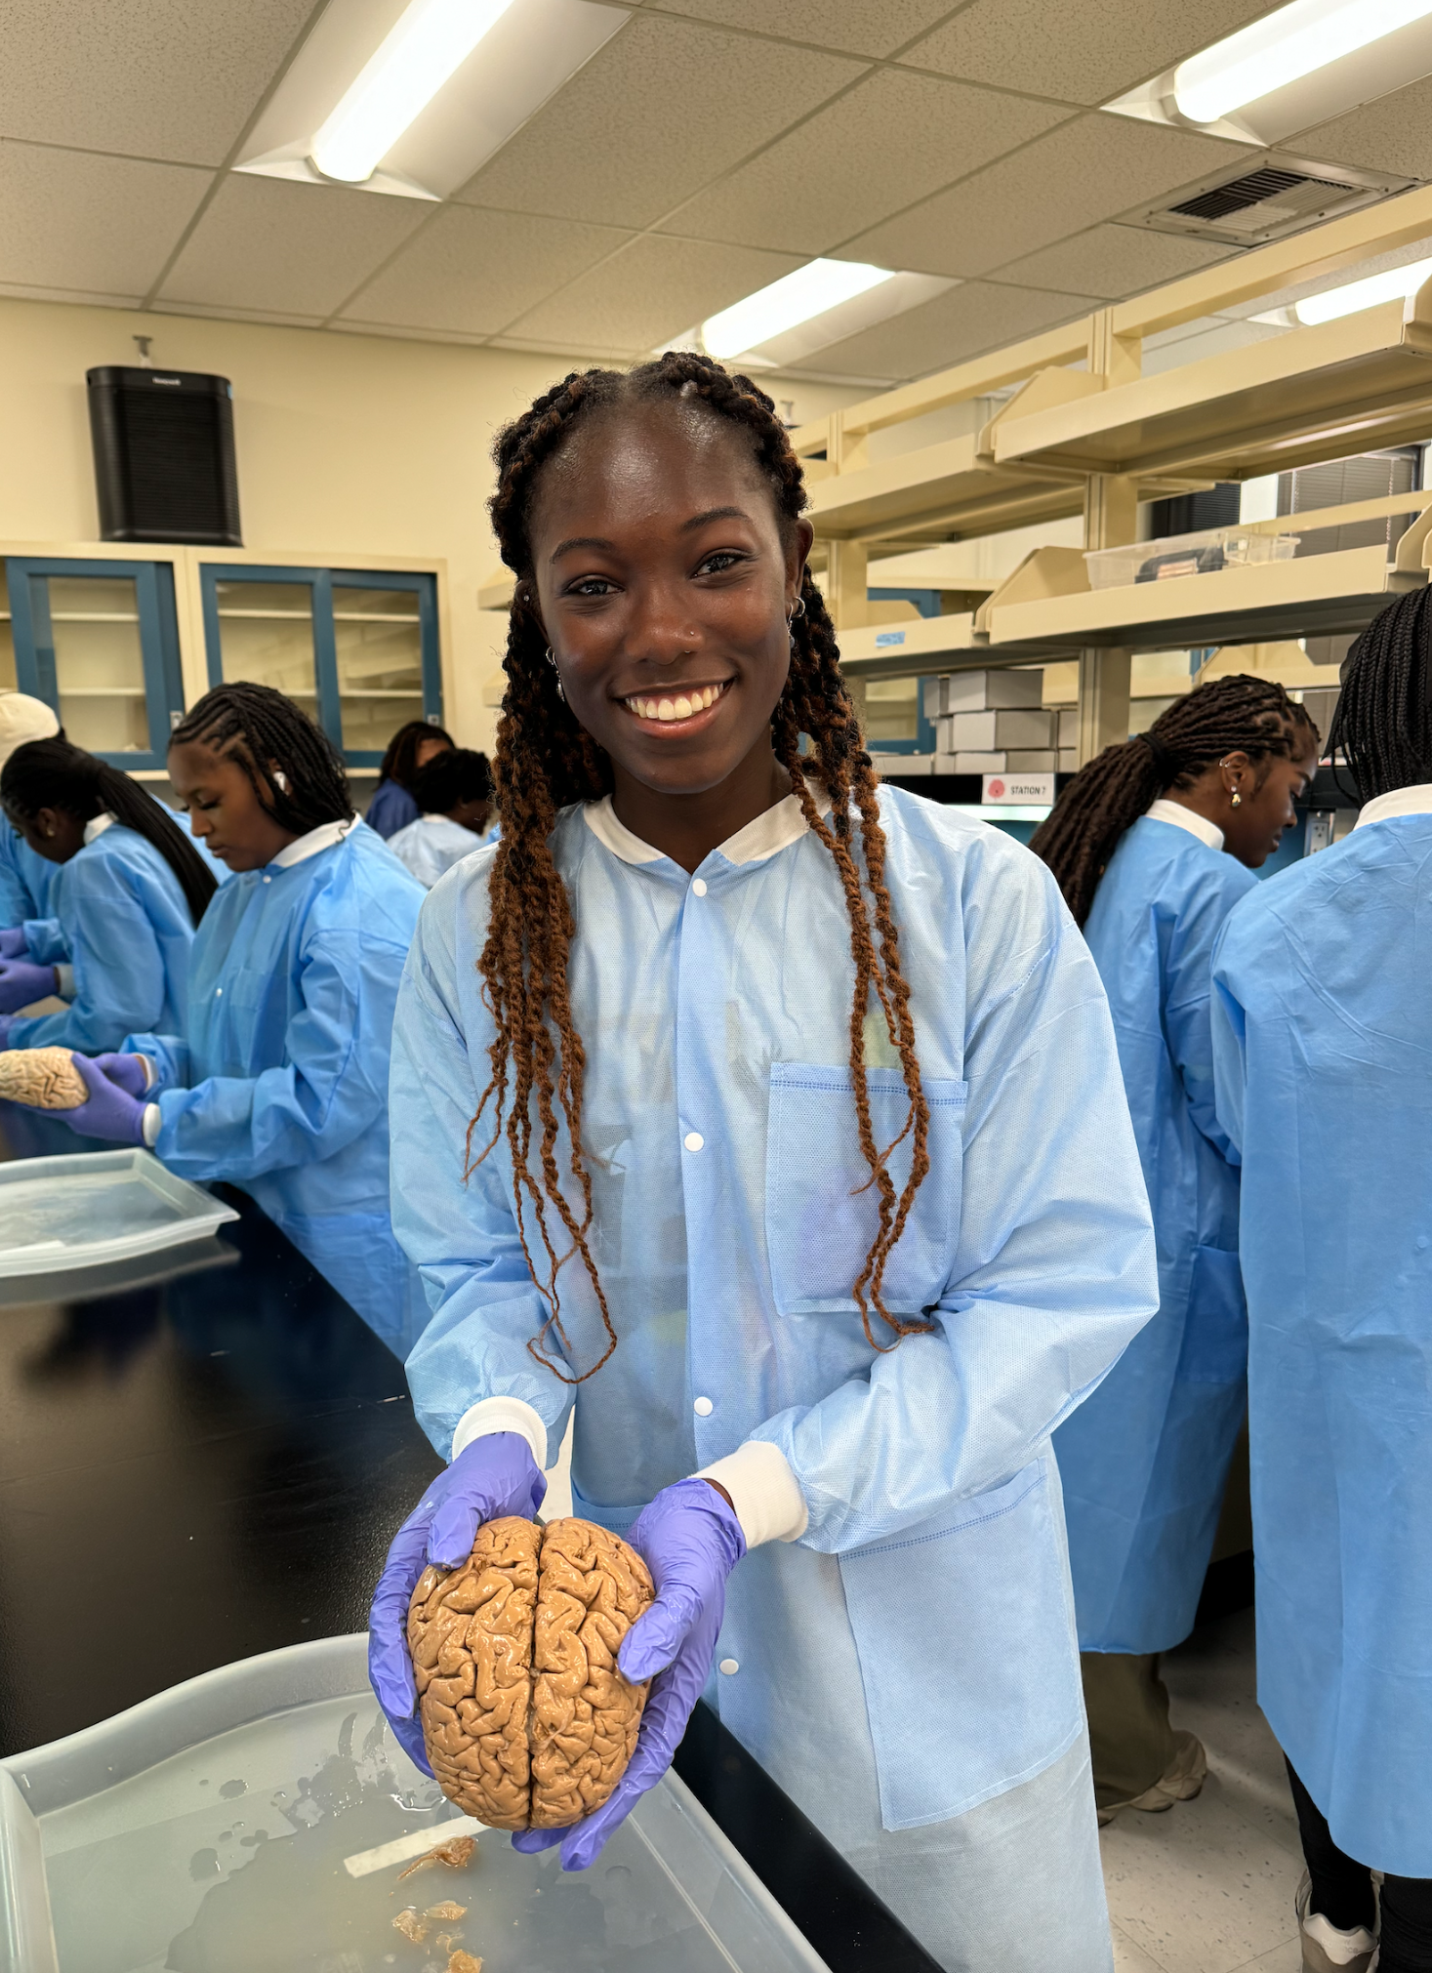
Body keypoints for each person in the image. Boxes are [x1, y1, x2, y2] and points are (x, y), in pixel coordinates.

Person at [365, 356, 1159, 1973]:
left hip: (924, 1681)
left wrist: (746, 1499)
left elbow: (1058, 1292)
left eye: (714, 560)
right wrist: (502, 1428)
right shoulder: (477, 935)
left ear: (795, 572)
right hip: (618, 1666)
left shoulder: (971, 910)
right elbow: (471, 1269)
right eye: (592, 584)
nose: (658, 631)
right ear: (537, 617)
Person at [1031, 676, 1317, 1826]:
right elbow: (1232, 1095)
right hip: (1171, 1245)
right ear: (1237, 769)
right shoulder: (1210, 888)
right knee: (1140, 1493)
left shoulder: (1100, 861)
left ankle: (1068, 1724)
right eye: (1291, 782)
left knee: (1077, 1488)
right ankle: (1124, 1755)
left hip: (1070, 1233)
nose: (1290, 814)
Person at [1211, 589, 1432, 1973]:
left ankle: (1343, 1907)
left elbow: (1246, 1131)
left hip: (1335, 1362)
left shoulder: (1272, 927)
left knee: (1341, 1620)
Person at [22, 684, 430, 1361]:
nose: (197, 828)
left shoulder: (358, 912)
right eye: (187, 807)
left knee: (359, 1454)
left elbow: (316, 1102)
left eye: (207, 803)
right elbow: (232, 1042)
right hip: (257, 1214)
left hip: (343, 1249)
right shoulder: (250, 885)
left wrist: (153, 1122)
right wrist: (154, 1065)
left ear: (278, 776)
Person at [0, 737, 216, 1056]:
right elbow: (151, 929)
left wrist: (17, 1035)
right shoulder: (164, 831)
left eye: (21, 833)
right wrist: (36, 938)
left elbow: (119, 1017)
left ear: (47, 822)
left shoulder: (93, 868)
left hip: (171, 1060)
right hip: (213, 1040)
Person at [0, 692, 66, 957]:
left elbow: (115, 932)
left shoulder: (117, 824)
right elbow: (8, 926)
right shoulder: (5, 825)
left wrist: (56, 975)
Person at [386, 747, 493, 887]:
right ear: (465, 801)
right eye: (489, 801)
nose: (491, 811)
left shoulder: (395, 842)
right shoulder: (473, 849)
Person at [365, 720, 454, 840]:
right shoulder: (398, 801)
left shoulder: (421, 798)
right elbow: (397, 855)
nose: (443, 767)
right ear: (406, 763)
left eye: (448, 760)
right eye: (432, 762)